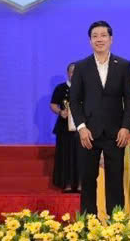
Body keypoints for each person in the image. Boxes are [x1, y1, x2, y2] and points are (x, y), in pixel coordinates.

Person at [69, 20, 130, 216]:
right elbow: (74, 101)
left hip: (116, 133)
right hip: (88, 133)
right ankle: (89, 224)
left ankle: (116, 225)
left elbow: (129, 99)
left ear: (111, 39)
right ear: (90, 41)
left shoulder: (123, 65)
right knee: (88, 180)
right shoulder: (81, 66)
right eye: (95, 36)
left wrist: (126, 127)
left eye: (103, 35)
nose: (99, 39)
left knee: (115, 181)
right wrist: (81, 127)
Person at [97, 94, 130, 219]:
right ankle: (103, 220)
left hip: (125, 152)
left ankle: (125, 219)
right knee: (104, 185)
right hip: (104, 151)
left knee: (124, 185)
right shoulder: (101, 104)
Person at [50, 62, 80, 192]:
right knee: (65, 155)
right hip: (64, 128)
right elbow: (53, 105)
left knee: (80, 156)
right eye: (72, 72)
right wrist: (60, 112)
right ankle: (67, 184)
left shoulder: (85, 88)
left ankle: (80, 184)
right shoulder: (60, 88)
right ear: (68, 73)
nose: (74, 74)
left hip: (81, 128)